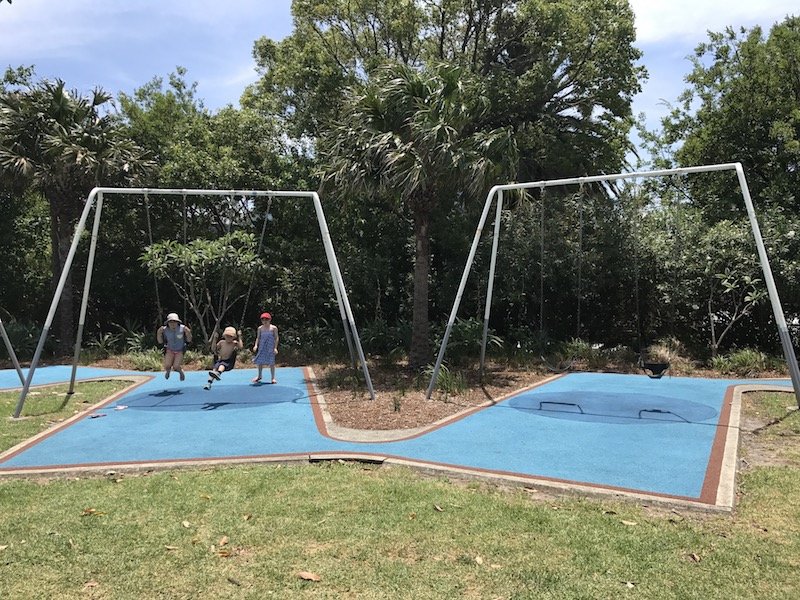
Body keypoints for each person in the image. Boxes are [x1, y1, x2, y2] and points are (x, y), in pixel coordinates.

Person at [204, 326, 243, 390]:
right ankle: (209, 383)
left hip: (228, 362)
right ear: (224, 336)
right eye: (227, 336)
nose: (228, 338)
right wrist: (214, 339)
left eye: (230, 336)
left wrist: (240, 337)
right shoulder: (222, 342)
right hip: (220, 360)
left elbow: (241, 347)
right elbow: (213, 349)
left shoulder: (234, 343)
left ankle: (219, 373)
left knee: (222, 365)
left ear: (234, 337)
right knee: (214, 369)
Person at [156, 312, 192, 381]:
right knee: (167, 365)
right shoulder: (164, 330)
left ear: (178, 322)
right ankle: (168, 371)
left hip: (180, 350)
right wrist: (158, 333)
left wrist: (188, 333)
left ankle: (181, 372)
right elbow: (160, 341)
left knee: (176, 366)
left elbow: (189, 340)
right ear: (168, 323)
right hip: (170, 349)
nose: (173, 324)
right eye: (171, 322)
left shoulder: (183, 328)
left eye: (175, 322)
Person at [252, 312, 279, 384]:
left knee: (271, 362)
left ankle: (273, 378)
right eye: (263, 320)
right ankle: (259, 376)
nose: (265, 321)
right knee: (260, 362)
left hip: (270, 346)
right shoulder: (260, 328)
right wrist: (256, 345)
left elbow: (276, 338)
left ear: (270, 320)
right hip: (262, 346)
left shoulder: (273, 328)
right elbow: (258, 337)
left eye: (266, 319)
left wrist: (275, 348)